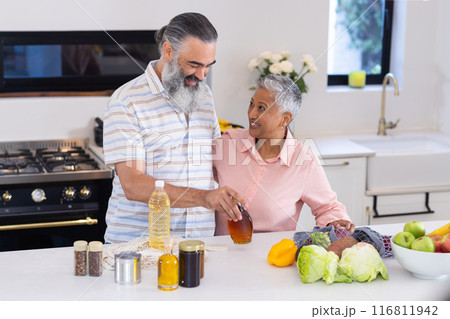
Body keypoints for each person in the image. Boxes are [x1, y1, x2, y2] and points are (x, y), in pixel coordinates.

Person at [103, 12, 244, 243]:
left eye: (208, 66)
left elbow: (213, 163)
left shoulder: (204, 95)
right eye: (194, 64)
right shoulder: (127, 101)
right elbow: (133, 185)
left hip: (197, 243)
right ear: (168, 51)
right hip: (139, 247)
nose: (201, 75)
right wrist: (204, 198)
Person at [213, 74, 355, 235]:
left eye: (261, 108)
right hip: (222, 251)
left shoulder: (303, 160)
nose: (251, 114)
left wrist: (335, 222)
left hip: (273, 255)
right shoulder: (228, 143)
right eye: (251, 104)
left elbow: (328, 207)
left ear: (285, 119)